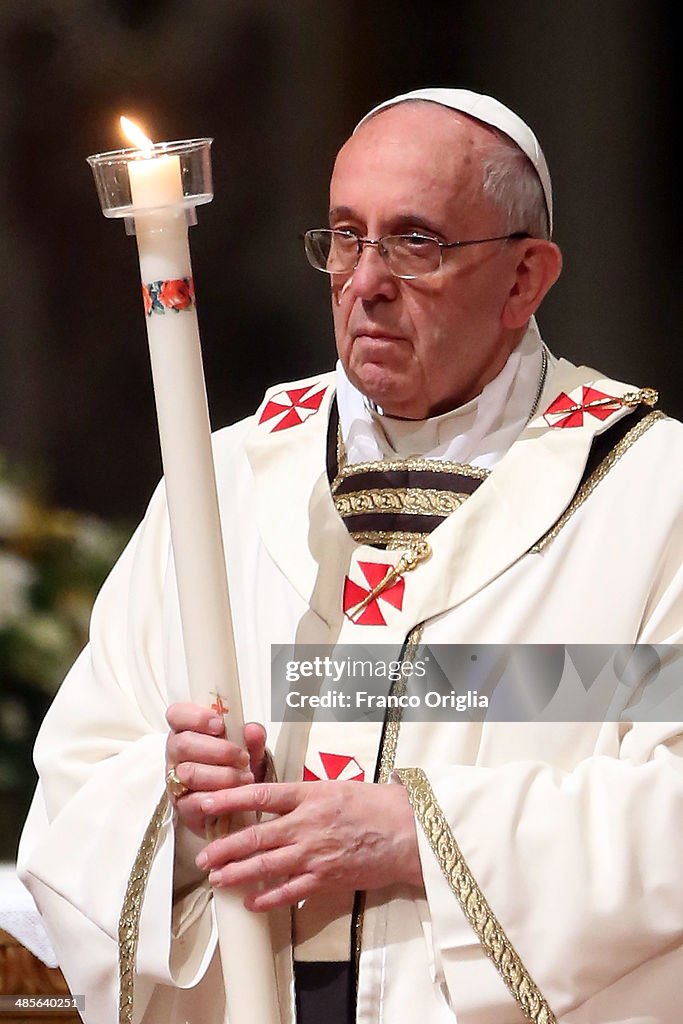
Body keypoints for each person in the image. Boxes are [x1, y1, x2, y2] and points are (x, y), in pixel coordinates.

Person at [18, 87, 683, 1024]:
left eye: (415, 243)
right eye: (343, 237)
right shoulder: (227, 480)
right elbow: (80, 781)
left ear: (525, 277)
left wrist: (423, 836)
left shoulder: (650, 495)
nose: (364, 280)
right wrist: (173, 811)